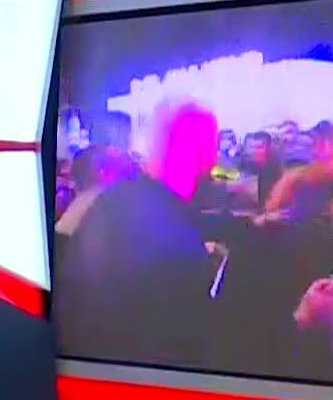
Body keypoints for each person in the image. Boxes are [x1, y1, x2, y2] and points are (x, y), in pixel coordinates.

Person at [52, 100, 221, 369]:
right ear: (200, 154)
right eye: (213, 147)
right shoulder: (178, 243)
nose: (214, 160)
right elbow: (186, 352)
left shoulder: (112, 200)